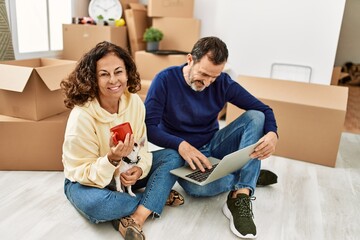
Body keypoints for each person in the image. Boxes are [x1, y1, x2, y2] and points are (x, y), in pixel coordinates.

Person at [144, 36, 278, 239]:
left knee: (256, 117)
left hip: (215, 144)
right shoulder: (164, 80)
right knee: (197, 189)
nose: (207, 83)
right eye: (203, 74)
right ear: (190, 60)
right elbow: (149, 127)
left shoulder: (222, 83)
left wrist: (273, 134)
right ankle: (247, 174)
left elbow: (263, 110)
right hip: (185, 156)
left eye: (213, 77)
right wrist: (180, 145)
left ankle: (241, 195)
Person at [61, 41, 184, 240]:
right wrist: (111, 160)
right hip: (86, 182)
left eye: (118, 72)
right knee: (98, 205)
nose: (113, 80)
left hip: (126, 175)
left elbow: (142, 147)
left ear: (127, 73)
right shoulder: (81, 116)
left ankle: (137, 214)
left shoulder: (134, 102)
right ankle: (154, 197)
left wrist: (140, 169)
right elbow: (80, 171)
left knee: (172, 156)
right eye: (104, 74)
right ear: (93, 78)